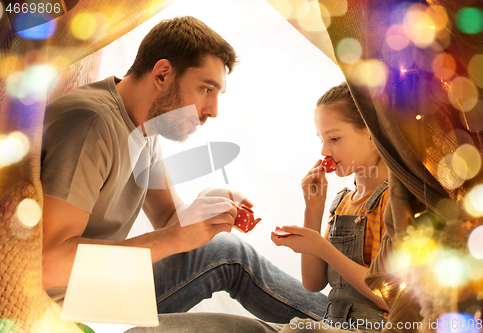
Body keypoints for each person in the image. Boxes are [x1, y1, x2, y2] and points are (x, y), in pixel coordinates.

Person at [41, 16, 328, 327]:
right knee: (243, 329)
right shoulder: (91, 125)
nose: (213, 111)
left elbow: (169, 220)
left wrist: (206, 204)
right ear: (162, 73)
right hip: (65, 303)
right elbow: (47, 265)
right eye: (206, 89)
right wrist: (174, 238)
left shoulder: (143, 128)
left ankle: (353, 323)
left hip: (96, 287)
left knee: (228, 252)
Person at [271, 82, 390, 332]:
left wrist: (323, 248)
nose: (325, 150)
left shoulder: (392, 201)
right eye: (322, 139)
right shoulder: (343, 201)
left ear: (371, 133)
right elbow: (314, 283)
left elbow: (391, 298)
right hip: (334, 321)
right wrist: (313, 209)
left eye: (334, 138)